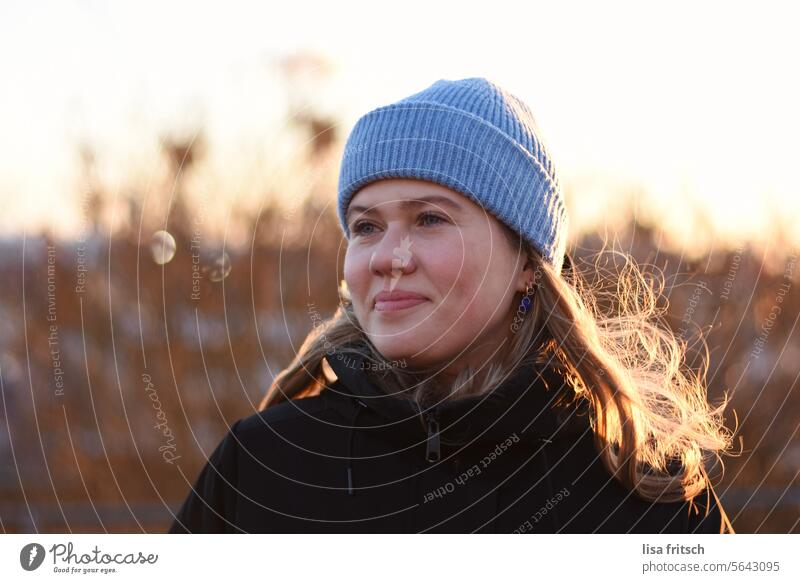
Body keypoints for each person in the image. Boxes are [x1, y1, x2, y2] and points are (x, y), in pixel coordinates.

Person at [168, 77, 735, 533]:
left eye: (430, 219)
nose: (390, 256)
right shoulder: (266, 465)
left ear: (525, 264)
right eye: (366, 226)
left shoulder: (645, 496)